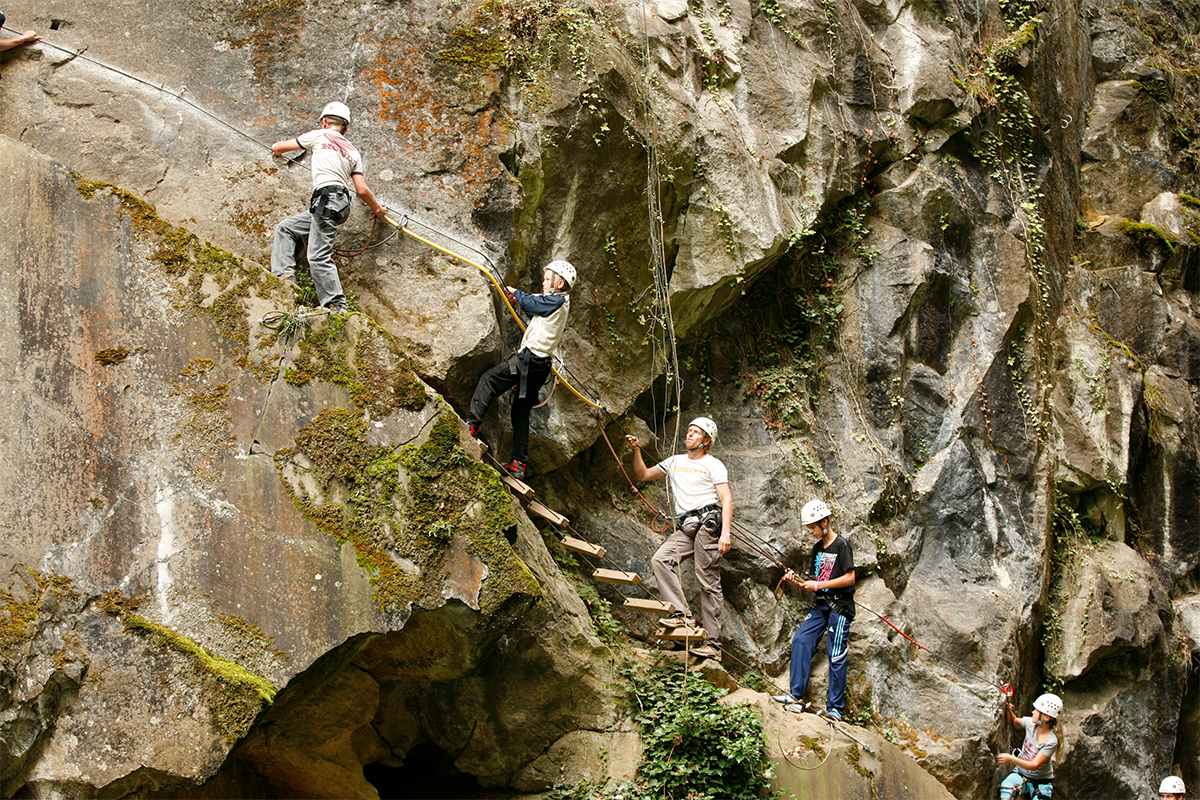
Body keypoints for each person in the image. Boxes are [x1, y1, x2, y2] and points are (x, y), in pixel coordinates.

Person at [625, 417, 732, 660]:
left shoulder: (713, 465)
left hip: (708, 524)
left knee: (707, 581)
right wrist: (636, 450)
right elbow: (643, 474)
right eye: (689, 431)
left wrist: (725, 532)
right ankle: (682, 614)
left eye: (696, 432)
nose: (689, 434)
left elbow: (726, 499)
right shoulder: (674, 461)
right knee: (660, 560)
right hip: (686, 525)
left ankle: (713, 645)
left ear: (706, 441)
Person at [269, 101, 386, 313]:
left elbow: (279, 147)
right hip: (340, 204)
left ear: (324, 122)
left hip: (326, 199)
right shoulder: (353, 151)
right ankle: (284, 278)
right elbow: (361, 189)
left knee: (318, 255)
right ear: (345, 128)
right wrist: (377, 209)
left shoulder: (319, 135)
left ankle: (336, 304)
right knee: (286, 228)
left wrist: (277, 152)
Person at [467, 261, 575, 479]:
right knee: (520, 410)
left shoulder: (556, 301)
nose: (543, 282)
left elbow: (535, 303)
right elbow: (535, 302)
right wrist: (518, 298)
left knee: (489, 380)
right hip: (540, 366)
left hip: (531, 360)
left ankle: (471, 426)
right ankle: (518, 463)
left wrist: (517, 294)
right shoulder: (556, 302)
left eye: (547, 279)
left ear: (559, 283)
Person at [773, 499, 855, 720]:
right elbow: (812, 582)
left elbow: (850, 577)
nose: (810, 531)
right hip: (821, 606)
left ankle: (835, 709)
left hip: (840, 607)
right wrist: (795, 582)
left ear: (824, 522)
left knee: (836, 653)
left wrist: (818, 586)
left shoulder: (842, 545)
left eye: (812, 527)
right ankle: (795, 696)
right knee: (801, 639)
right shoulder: (817, 549)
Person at [996, 693, 1063, 799]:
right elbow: (1014, 722)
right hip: (1021, 774)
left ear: (1046, 717)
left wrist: (1011, 759)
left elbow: (1034, 765)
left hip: (1041, 783)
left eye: (1036, 711)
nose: (1033, 712)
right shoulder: (1031, 723)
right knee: (1006, 788)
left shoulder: (1051, 741)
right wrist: (1009, 712)